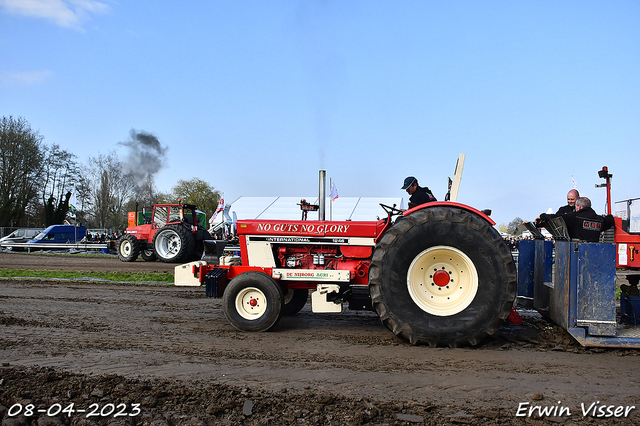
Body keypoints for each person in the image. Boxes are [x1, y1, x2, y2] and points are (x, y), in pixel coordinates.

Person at [537, 197, 614, 242]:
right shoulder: (600, 220)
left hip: (577, 252)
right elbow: (610, 221)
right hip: (594, 252)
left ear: (579, 207)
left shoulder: (574, 217)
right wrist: (610, 216)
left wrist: (542, 216)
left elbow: (556, 218)